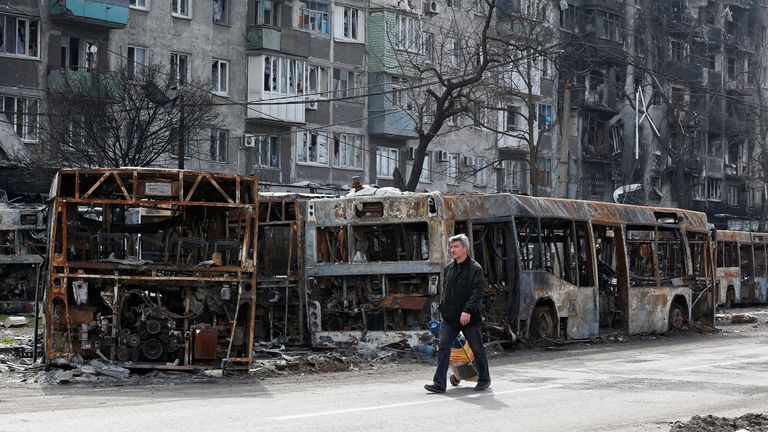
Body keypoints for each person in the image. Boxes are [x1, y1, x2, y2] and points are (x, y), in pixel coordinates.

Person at [425, 234, 491, 393]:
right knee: (443, 348)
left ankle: (484, 379)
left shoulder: (476, 269)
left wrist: (468, 310)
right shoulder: (448, 268)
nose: (452, 250)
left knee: (477, 348)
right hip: (449, 318)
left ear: (465, 248)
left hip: (469, 318)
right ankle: (439, 384)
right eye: (451, 247)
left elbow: (477, 293)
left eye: (456, 247)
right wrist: (443, 309)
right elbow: (446, 292)